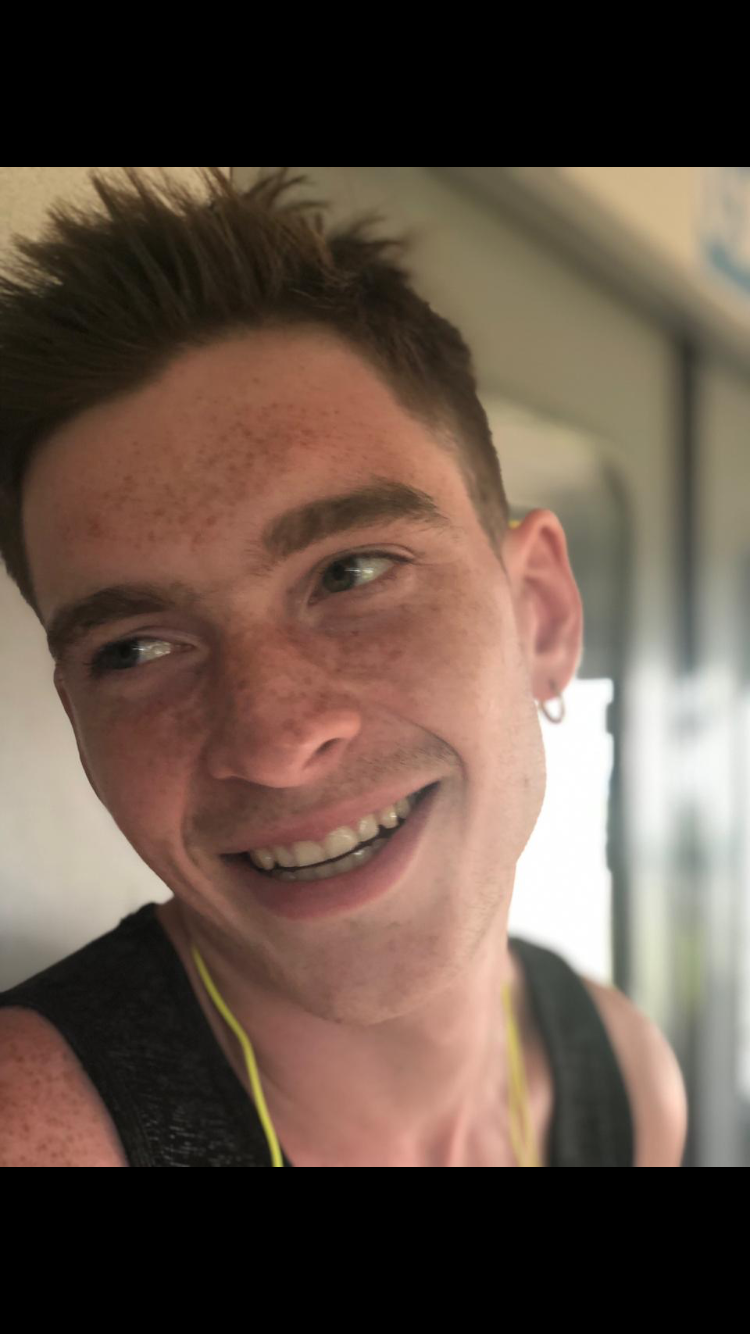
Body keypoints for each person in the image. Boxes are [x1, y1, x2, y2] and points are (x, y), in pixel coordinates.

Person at [0, 167, 687, 1166]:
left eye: (351, 573)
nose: (275, 741)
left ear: (539, 614)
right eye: (136, 649)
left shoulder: (627, 1078)